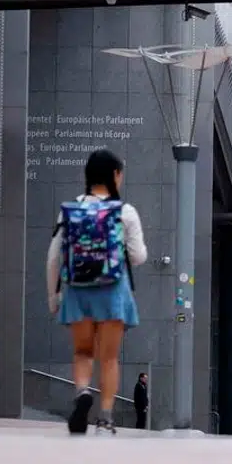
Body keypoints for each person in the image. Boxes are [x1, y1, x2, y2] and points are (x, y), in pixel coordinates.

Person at [46, 149, 148, 435]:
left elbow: (54, 257)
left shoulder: (72, 209)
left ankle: (82, 394)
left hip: (78, 290)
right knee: (109, 357)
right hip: (114, 292)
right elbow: (138, 256)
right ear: (115, 175)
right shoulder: (125, 212)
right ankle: (105, 416)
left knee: (82, 352)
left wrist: (53, 297)